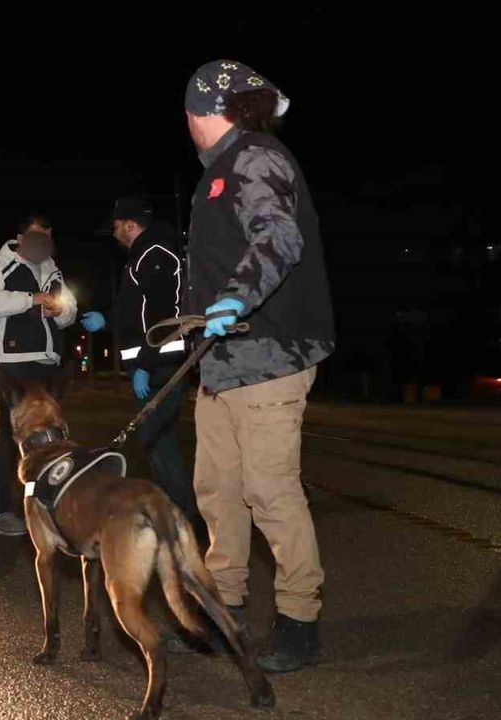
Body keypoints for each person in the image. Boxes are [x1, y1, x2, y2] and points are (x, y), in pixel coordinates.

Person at [183, 60, 335, 673]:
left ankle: (299, 618)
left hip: (271, 355)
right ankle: (224, 609)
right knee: (218, 491)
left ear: (199, 110)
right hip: (221, 363)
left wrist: (236, 298)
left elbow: (279, 236)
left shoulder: (255, 157)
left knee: (270, 491)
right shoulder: (218, 171)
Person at [78, 196, 194, 517]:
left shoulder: (153, 253)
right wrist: (107, 319)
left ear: (130, 225)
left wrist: (145, 363)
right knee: (156, 441)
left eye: (116, 226)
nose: (114, 233)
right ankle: (176, 513)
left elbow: (161, 314)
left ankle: (180, 516)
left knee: (158, 442)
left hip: (159, 364)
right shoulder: (143, 254)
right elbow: (135, 311)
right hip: (155, 363)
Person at [0, 213, 77, 536]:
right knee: (11, 436)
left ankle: (50, 506)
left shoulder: (52, 268)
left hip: (49, 362)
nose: (42, 243)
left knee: (52, 435)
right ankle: (2, 511)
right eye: (36, 237)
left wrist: (60, 310)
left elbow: (70, 312)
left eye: (47, 237)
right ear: (20, 239)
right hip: (13, 362)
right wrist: (32, 299)